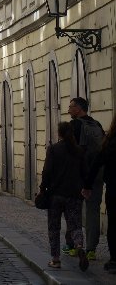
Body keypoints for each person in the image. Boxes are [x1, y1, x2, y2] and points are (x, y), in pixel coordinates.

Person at [41, 121, 88, 271]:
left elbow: (47, 171)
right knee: (75, 225)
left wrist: (42, 188)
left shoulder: (53, 149)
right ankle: (79, 246)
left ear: (59, 133)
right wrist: (86, 188)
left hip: (55, 195)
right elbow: (84, 172)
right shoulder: (79, 151)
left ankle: (55, 259)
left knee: (54, 228)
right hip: (74, 195)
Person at [63, 97, 105, 261]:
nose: (68, 110)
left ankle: (74, 246)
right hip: (97, 174)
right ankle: (91, 249)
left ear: (79, 108)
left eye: (71, 107)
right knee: (93, 211)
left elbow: (68, 152)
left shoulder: (74, 125)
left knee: (73, 210)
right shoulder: (97, 125)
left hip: (79, 175)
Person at [83, 113, 116, 273]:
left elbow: (97, 163)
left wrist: (87, 185)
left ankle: (114, 259)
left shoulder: (110, 141)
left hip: (114, 189)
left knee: (113, 225)